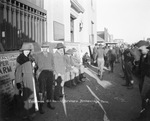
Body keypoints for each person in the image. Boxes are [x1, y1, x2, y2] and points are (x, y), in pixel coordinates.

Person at [15, 42, 37, 120]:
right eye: (25, 50)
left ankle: (31, 112)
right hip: (25, 80)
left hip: (31, 79)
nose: (27, 51)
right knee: (26, 97)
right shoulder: (20, 59)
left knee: (31, 96)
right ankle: (27, 114)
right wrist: (18, 82)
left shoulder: (30, 58)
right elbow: (18, 72)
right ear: (22, 51)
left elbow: (34, 69)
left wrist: (34, 66)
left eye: (28, 50)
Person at [33, 42, 55, 114]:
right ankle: (41, 106)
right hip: (42, 73)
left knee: (50, 89)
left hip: (50, 73)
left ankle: (49, 104)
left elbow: (53, 64)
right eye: (43, 47)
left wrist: (53, 71)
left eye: (46, 47)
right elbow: (34, 63)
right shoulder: (37, 55)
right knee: (41, 90)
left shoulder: (51, 55)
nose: (45, 49)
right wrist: (37, 72)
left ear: (48, 48)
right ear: (42, 48)